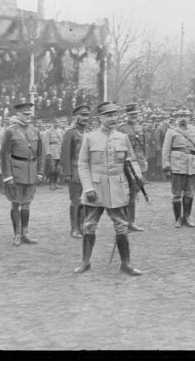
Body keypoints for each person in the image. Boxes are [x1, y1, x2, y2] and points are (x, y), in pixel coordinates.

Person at [76, 101, 143, 276]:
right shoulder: (89, 138)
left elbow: (132, 160)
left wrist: (138, 177)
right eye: (109, 115)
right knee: (89, 225)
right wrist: (88, 187)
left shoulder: (123, 137)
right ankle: (85, 262)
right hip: (95, 188)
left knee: (121, 225)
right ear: (100, 118)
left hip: (117, 187)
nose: (113, 118)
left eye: (115, 115)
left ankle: (126, 264)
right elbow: (82, 165)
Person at [0, 102, 44, 246]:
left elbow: (41, 154)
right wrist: (7, 175)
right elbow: (4, 154)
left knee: (27, 204)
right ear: (17, 115)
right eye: (24, 114)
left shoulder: (35, 131)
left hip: (31, 172)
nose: (27, 117)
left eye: (29, 114)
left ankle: (26, 233)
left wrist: (40, 172)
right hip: (16, 172)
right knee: (15, 204)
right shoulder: (10, 131)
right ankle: (16, 234)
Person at [162, 109, 195, 227]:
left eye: (185, 115)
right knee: (177, 194)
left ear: (189, 117)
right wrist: (166, 166)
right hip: (177, 165)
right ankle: (177, 219)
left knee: (189, 193)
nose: (183, 118)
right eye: (180, 115)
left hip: (192, 165)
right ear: (176, 117)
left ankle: (187, 217)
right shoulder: (171, 131)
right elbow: (166, 150)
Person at [60, 104, 91, 239]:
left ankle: (82, 226)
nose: (85, 118)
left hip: (88, 172)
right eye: (82, 115)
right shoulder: (70, 133)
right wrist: (67, 173)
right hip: (75, 171)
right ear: (75, 117)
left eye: (87, 115)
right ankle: (74, 228)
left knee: (86, 200)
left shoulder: (90, 132)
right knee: (76, 201)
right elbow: (65, 154)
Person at [118, 103, 147, 231]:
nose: (134, 116)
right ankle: (125, 222)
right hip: (127, 164)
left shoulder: (140, 127)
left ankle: (132, 222)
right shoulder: (121, 129)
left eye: (135, 114)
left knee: (135, 192)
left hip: (139, 163)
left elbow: (143, 146)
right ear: (127, 115)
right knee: (127, 194)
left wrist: (144, 162)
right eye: (131, 114)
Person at [43, 118, 64, 190]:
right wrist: (48, 152)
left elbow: (62, 141)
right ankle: (51, 184)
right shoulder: (48, 131)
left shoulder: (60, 131)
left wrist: (62, 150)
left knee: (58, 169)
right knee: (52, 169)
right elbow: (46, 143)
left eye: (58, 123)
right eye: (56, 123)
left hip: (59, 151)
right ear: (53, 123)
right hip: (52, 151)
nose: (57, 124)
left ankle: (56, 183)